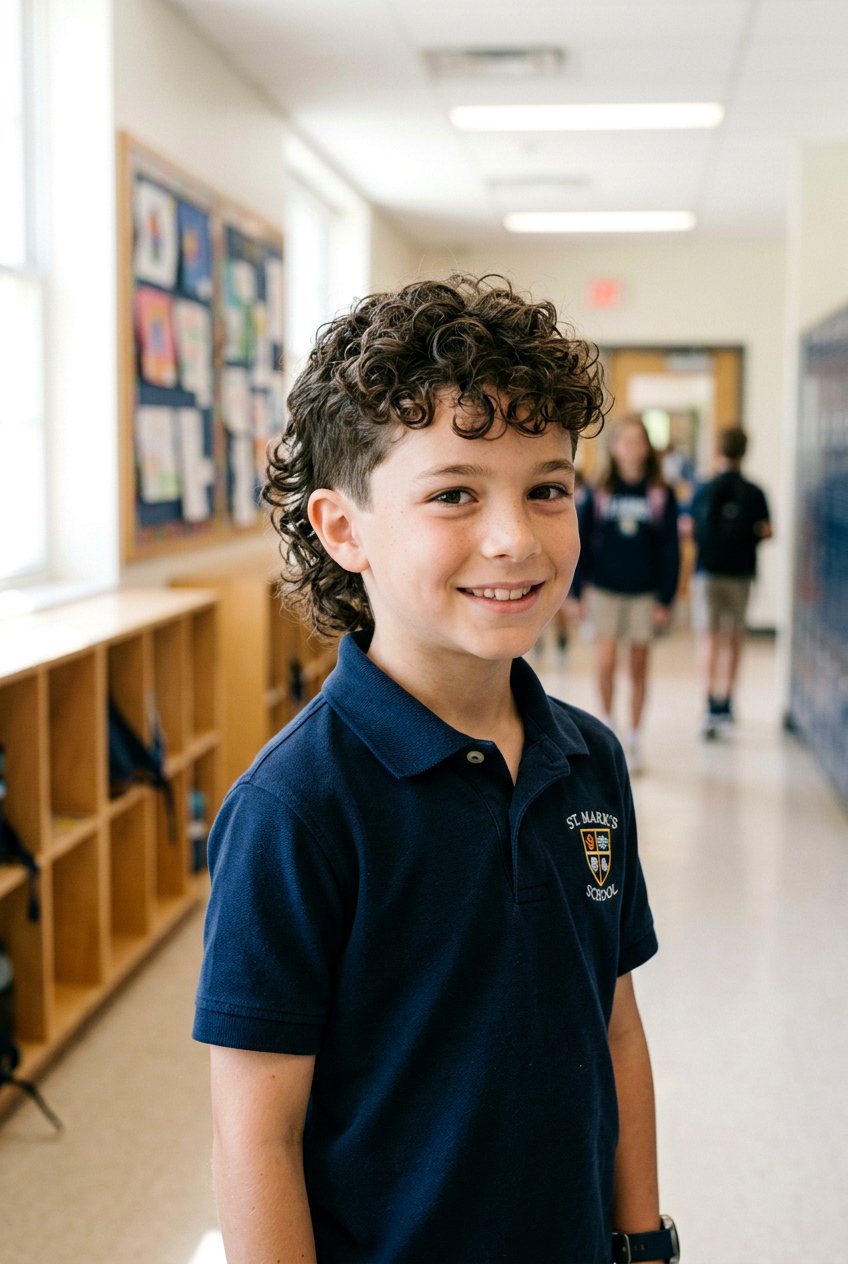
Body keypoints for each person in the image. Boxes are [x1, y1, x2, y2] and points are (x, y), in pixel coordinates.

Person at [193, 275, 678, 1264]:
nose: (514, 537)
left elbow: (613, 1026)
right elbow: (255, 1128)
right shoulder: (296, 808)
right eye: (454, 492)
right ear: (342, 530)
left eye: (545, 487)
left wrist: (643, 1241)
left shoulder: (587, 760)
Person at [568, 417, 680, 773]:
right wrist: (576, 592)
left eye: (637, 441)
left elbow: (670, 549)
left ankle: (633, 738)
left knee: (638, 665)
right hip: (604, 590)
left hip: (644, 593)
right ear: (614, 448)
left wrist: (666, 598)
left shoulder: (661, 493)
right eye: (624, 441)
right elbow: (579, 541)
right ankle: (606, 727)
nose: (631, 447)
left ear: (647, 448)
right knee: (605, 662)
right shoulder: (600, 491)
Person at [690, 425, 772, 738]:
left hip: (708, 572)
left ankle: (708, 701)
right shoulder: (754, 492)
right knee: (733, 637)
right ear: (745, 452)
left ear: (718, 451)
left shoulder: (706, 488)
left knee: (708, 638)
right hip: (740, 573)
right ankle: (727, 701)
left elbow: (689, 526)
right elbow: (767, 530)